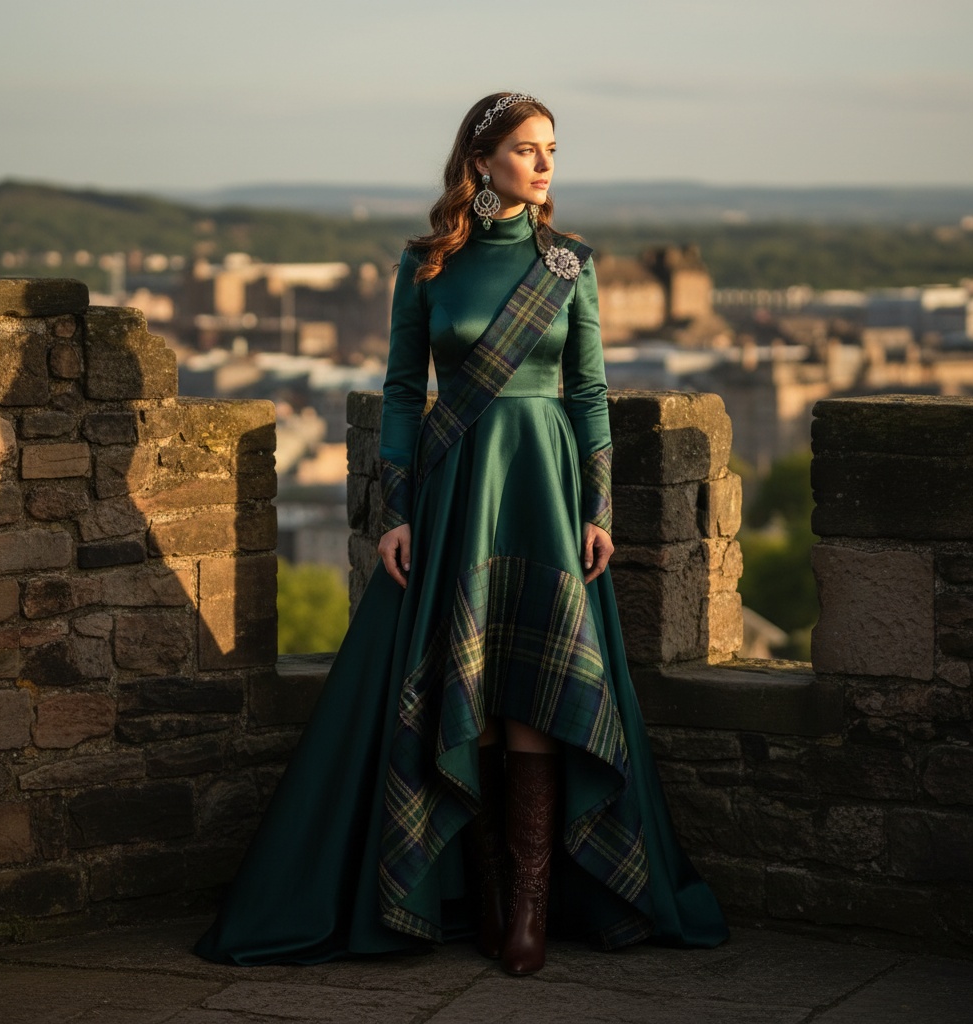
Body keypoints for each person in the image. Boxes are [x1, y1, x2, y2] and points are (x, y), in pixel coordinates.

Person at [194, 92, 728, 976]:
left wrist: (599, 507)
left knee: (538, 694)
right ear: (481, 162)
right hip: (456, 494)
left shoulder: (572, 265)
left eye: (553, 149)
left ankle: (528, 906)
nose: (546, 164)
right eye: (527, 149)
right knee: (467, 692)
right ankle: (479, 896)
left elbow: (588, 393)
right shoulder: (426, 264)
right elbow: (404, 394)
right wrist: (396, 511)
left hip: (544, 490)